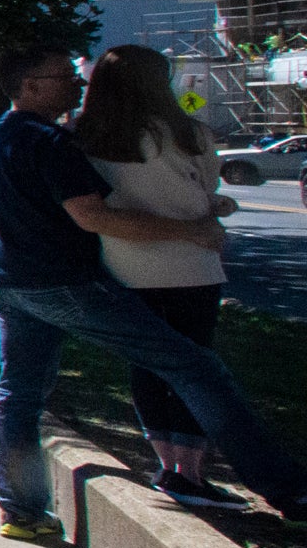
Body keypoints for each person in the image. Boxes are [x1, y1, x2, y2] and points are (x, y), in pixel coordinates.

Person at [0, 42, 307, 542]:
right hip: (69, 284)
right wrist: (192, 231)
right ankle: (295, 492)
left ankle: (22, 512)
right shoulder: (48, 141)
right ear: (31, 86)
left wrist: (12, 248)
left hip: (7, 284)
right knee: (195, 368)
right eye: (66, 78)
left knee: (18, 393)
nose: (78, 85)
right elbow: (94, 217)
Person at [76, 44, 240, 502]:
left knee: (147, 365)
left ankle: (165, 465)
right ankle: (191, 472)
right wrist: (216, 206)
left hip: (125, 263)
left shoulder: (86, 138)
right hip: (193, 261)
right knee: (195, 364)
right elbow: (207, 188)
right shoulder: (189, 133)